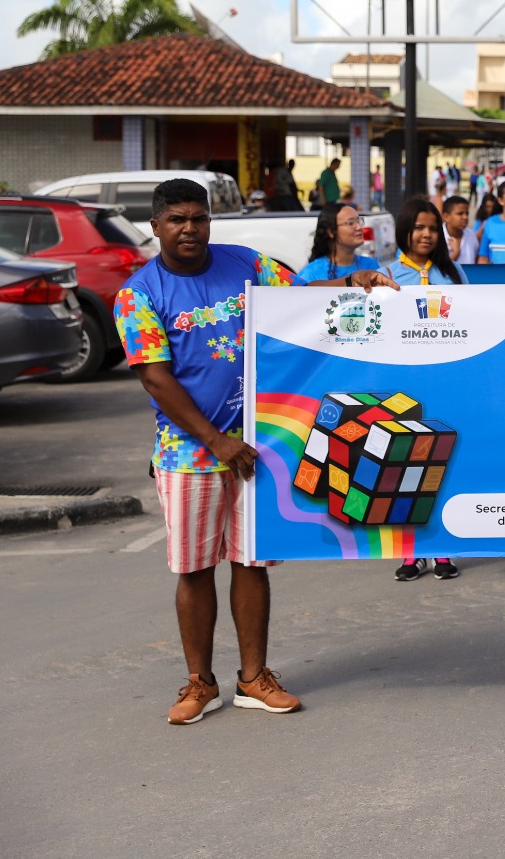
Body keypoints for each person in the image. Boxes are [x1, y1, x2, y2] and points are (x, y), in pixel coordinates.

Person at [113, 179, 399, 724]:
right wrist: (216, 441)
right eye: (177, 219)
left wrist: (350, 281)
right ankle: (200, 683)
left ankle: (253, 678)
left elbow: (296, 296)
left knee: (252, 560)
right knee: (195, 568)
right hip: (189, 453)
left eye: (198, 217)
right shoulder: (139, 294)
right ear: (156, 227)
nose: (190, 228)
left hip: (257, 442)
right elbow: (156, 378)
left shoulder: (245, 263)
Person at [382, 198, 463, 582]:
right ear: (404, 233)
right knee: (407, 466)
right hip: (406, 385)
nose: (426, 234)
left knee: (445, 464)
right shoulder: (388, 275)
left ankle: (444, 548)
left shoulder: (455, 273)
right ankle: (412, 552)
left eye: (432, 227)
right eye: (418, 228)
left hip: (447, 382)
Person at [388, 197, 469, 287]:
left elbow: (465, 300)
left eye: (433, 229)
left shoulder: (455, 270)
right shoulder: (386, 276)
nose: (427, 234)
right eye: (419, 227)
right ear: (404, 230)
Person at [294, 203, 381, 283]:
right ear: (331, 232)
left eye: (359, 221)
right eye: (350, 223)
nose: (359, 227)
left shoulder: (370, 265)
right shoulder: (312, 273)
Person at [442, 195, 479, 265]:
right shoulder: (437, 238)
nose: (465, 217)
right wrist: (456, 253)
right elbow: (437, 271)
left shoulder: (471, 236)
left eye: (467, 214)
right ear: (446, 217)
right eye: (460, 214)